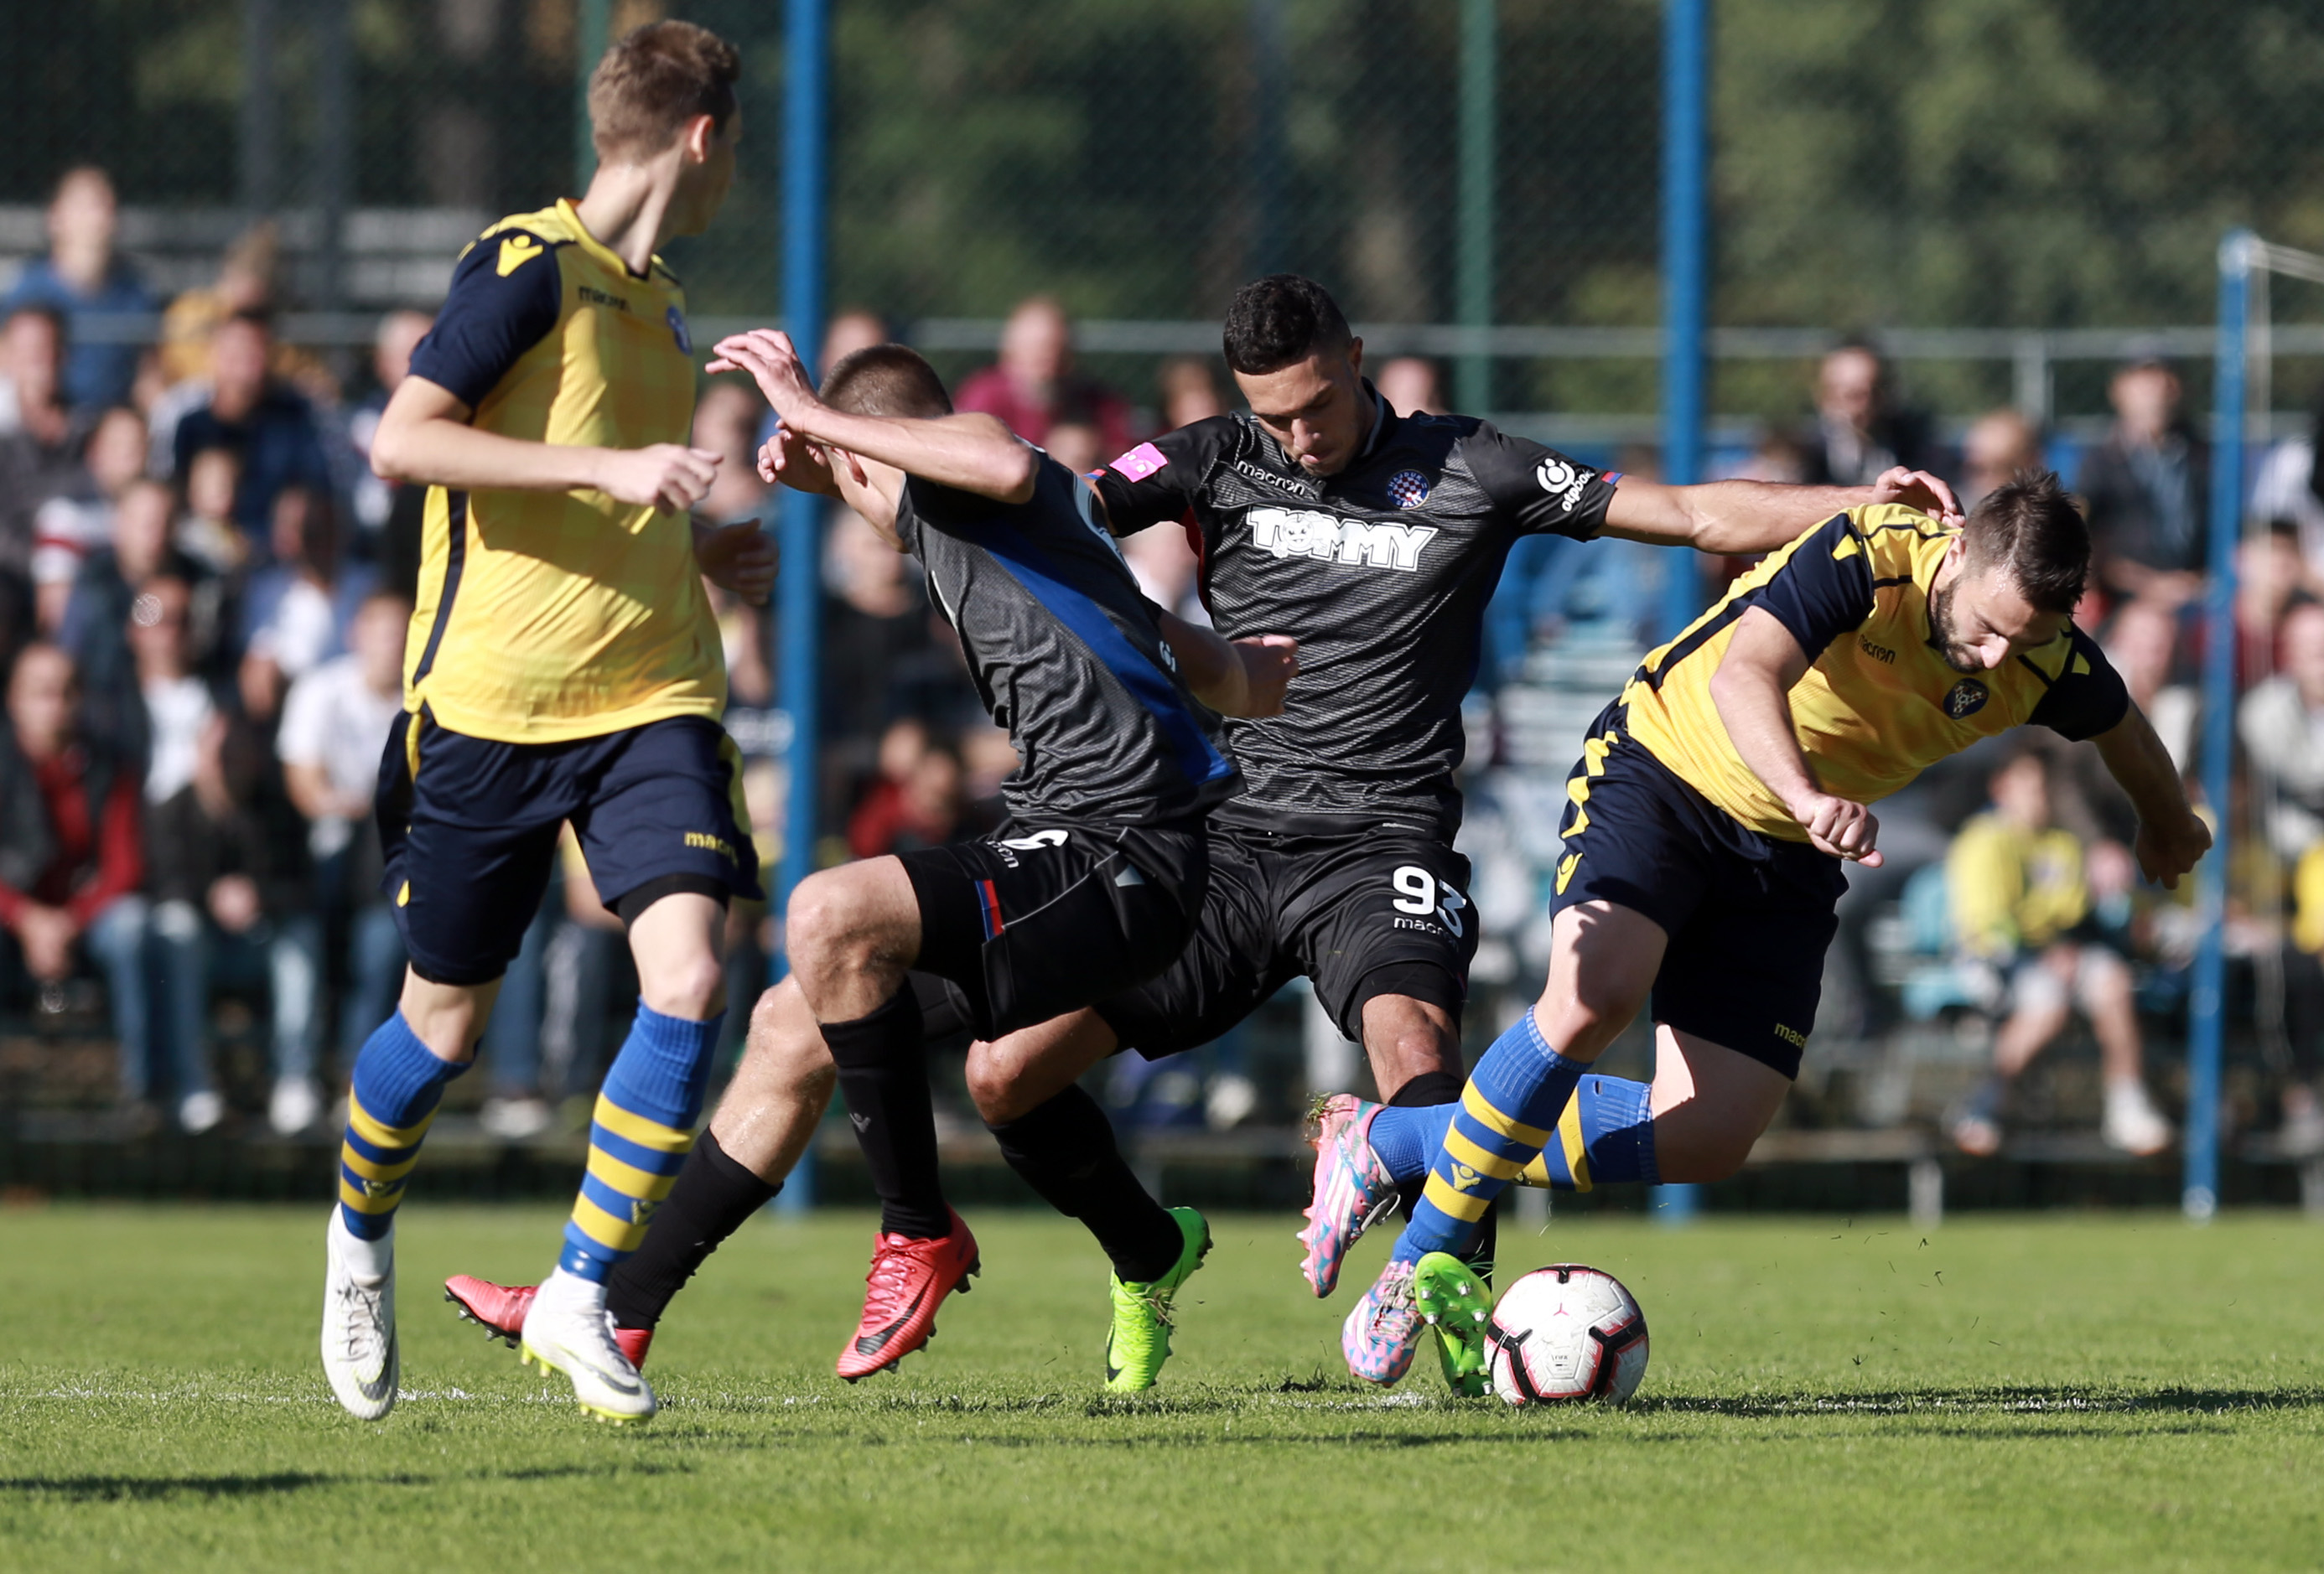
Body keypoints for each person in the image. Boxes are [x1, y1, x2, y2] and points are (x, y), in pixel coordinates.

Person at [440, 274, 1963, 1389]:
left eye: (1312, 405)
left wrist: (1872, 511)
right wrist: (845, 481)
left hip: (1382, 833)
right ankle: (1141, 1249)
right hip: (1224, 832)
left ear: (1359, 364)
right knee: (1002, 1072)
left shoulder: (1476, 466)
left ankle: (1444, 1310)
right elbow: (1034, 525)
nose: (1293, 439)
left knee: (1410, 1040)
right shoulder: (1204, 459)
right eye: (1268, 416)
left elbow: (1697, 513)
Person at [1312, 470, 2207, 1394]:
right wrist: (1812, 795)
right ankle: (1416, 1267)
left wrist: (2169, 822)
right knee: (1591, 997)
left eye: (2022, 639)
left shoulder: (2045, 655)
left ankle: (1392, 1144)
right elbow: (1748, 672)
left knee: (1709, 1135)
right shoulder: (1872, 553)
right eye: (1984, 625)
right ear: (1961, 553)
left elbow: (2125, 732)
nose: (1989, 656)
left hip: (1786, 849)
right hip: (1664, 771)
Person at [314, 19, 774, 1427]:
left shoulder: (665, 300)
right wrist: (615, 466)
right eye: (734, 145)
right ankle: (357, 1228)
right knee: (440, 1030)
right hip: (488, 708)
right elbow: (401, 439)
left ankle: (580, 1289)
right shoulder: (526, 265)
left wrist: (692, 554)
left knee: (690, 973)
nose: (733, 171)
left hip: (652, 696)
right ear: (701, 137)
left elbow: (600, 505)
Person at [693, 329, 1296, 1389]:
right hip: (1089, 837)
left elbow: (993, 460)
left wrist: (809, 408)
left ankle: (914, 1233)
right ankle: (1151, 1249)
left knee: (852, 964)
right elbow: (1220, 673)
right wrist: (1246, 675)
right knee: (993, 1070)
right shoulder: (989, 541)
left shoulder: (993, 467)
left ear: (888, 441)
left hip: (1147, 855)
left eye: (853, 469)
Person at [1944, 750, 2172, 1157]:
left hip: (2060, 954)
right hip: (1994, 961)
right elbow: (1989, 923)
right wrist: (2048, 947)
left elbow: (2075, 912)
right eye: (2029, 787)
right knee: (2047, 1001)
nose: (2039, 796)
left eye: (2044, 787)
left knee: (2113, 980)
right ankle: (1984, 1104)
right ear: (2002, 788)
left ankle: (2127, 1105)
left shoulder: (2063, 844)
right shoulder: (1983, 841)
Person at [278, 591, 412, 1128]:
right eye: (383, 632)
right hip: (323, 864)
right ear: (356, 634)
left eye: (402, 632)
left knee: (380, 950)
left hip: (392, 870)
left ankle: (357, 1087)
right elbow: (305, 784)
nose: (393, 645)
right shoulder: (321, 691)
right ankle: (298, 1076)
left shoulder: (428, 702)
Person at [0, 643, 150, 1105]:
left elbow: (125, 868)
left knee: (133, 928)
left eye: (67, 692)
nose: (57, 705)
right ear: (14, 701)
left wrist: (66, 923)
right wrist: (28, 920)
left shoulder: (108, 765)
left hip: (82, 925)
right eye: (42, 693)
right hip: (11, 922)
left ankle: (141, 1096)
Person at [126, 574, 231, 1131]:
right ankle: (150, 1089)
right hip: (129, 879)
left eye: (180, 619)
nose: (167, 632)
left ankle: (192, 1084)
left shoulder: (218, 706)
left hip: (199, 879)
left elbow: (237, 817)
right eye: (153, 616)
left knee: (183, 933)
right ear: (131, 628)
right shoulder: (111, 706)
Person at [159, 311, 334, 551]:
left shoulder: (294, 417)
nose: (246, 360)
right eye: (235, 351)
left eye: (254, 349)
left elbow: (315, 488)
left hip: (279, 554)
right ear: (214, 355)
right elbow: (175, 497)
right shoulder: (191, 425)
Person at [1, 168, 155, 413]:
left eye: (104, 206)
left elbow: (148, 373)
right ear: (55, 218)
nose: (96, 217)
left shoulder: (133, 291)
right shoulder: (29, 289)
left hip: (110, 430)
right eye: (84, 206)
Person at [2078, 358, 2209, 608]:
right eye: (2147, 376)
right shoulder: (2099, 463)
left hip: (2200, 593)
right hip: (2124, 599)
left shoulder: (2206, 457)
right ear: (2119, 389)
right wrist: (2149, 585)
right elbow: (2088, 544)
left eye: (2168, 375)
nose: (2159, 386)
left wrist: (2196, 581)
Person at [954, 295, 1132, 457]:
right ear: (1010, 350)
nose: (1049, 357)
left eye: (1056, 347)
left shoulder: (1096, 401)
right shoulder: (984, 397)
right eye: (1036, 347)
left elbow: (1125, 459)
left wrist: (1091, 454)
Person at [1798, 340, 1939, 488]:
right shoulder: (1805, 454)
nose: (1861, 406)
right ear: (1823, 396)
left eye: (1871, 392)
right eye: (1850, 395)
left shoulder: (1914, 447)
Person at [1960, 408, 2046, 512]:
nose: (1980, 479)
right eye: (1974, 468)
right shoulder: (1955, 515)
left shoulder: (2059, 520)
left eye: (1997, 468)